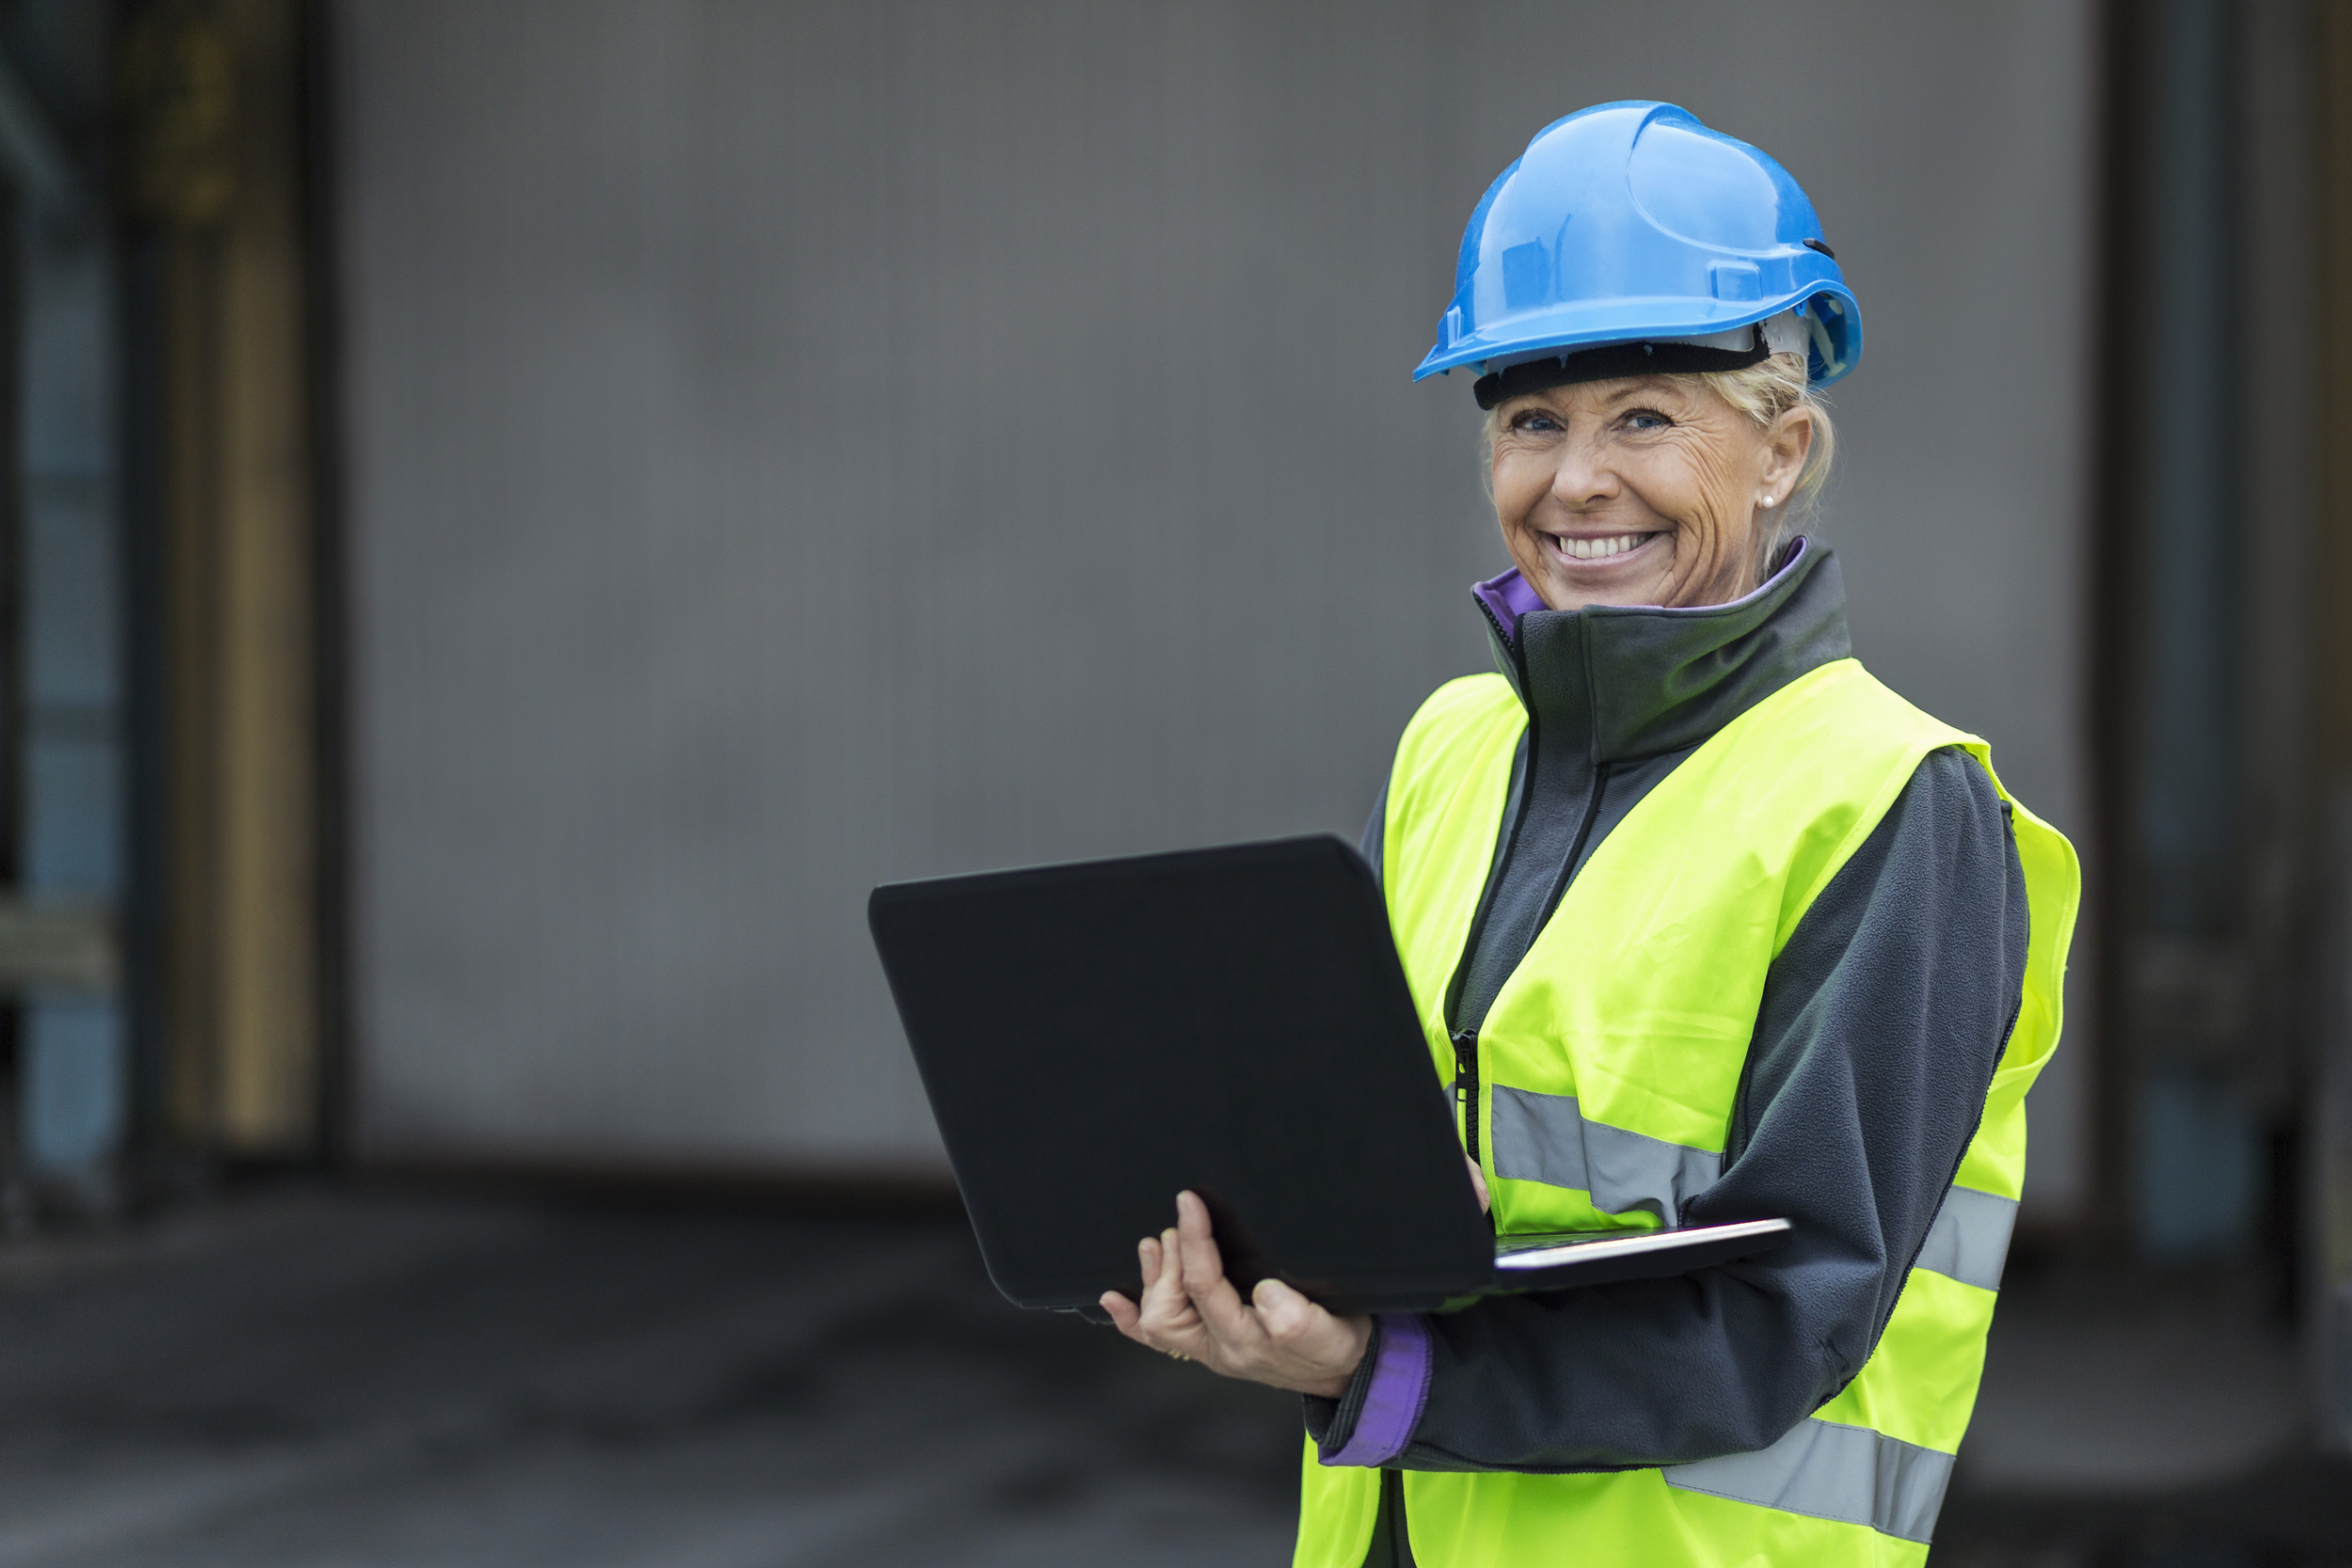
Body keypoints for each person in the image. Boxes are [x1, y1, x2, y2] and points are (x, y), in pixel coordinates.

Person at [1099, 102, 2080, 1568]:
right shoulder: (1455, 748)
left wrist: (1376, 1368)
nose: (1573, 484)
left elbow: (1785, 1316)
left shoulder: (1892, 801)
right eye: (1530, 423)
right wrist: (1248, 1259)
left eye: (1642, 418)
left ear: (1781, 449)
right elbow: (1369, 1153)